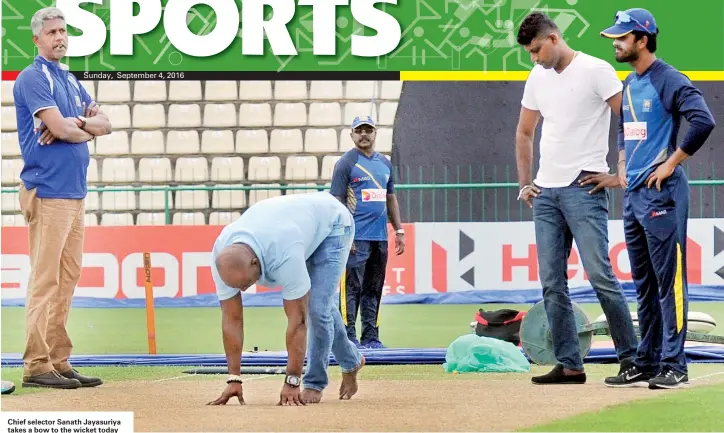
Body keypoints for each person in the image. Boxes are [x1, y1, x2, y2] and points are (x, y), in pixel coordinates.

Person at [514, 12, 639, 385]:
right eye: (529, 53)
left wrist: (620, 175)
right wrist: (525, 184)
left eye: (536, 50)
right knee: (552, 283)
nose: (533, 58)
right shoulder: (537, 76)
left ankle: (631, 359)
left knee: (601, 275)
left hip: (584, 189)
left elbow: (629, 120)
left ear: (553, 38)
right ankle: (570, 364)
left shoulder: (597, 70)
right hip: (545, 193)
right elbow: (524, 132)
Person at [600, 8, 716, 389]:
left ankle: (674, 364)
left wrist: (670, 164)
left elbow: (703, 121)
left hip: (661, 193)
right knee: (645, 285)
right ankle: (646, 362)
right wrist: (621, 165)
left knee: (669, 283)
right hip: (634, 197)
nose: (615, 42)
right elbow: (625, 130)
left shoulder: (668, 79)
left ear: (642, 39)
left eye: (621, 36)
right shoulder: (631, 82)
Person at [13, 7, 112, 389]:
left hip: (74, 192)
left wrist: (81, 126)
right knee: (45, 280)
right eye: (52, 32)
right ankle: (37, 364)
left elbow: (106, 123)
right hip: (48, 189)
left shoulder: (69, 78)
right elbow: (57, 127)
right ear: (36, 39)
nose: (60, 37)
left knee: (67, 278)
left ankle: (58, 359)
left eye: (63, 31)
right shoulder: (32, 78)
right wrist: (76, 127)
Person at [207, 192, 366, 406]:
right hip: (297, 226)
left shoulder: (284, 255)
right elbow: (231, 320)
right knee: (321, 305)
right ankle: (352, 361)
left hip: (333, 224)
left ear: (255, 263)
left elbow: (297, 322)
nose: (243, 289)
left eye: (245, 284)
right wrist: (234, 378)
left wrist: (292, 380)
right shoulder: (222, 257)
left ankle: (314, 382)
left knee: (317, 308)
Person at [330, 115, 405, 349]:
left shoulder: (384, 163)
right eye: (359, 130)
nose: (364, 134)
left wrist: (399, 230)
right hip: (356, 237)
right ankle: (347, 338)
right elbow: (337, 201)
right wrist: (345, 235)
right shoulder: (346, 163)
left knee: (374, 288)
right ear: (352, 135)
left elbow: (390, 197)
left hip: (379, 238)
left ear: (375, 133)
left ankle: (371, 337)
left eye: (368, 130)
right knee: (351, 289)